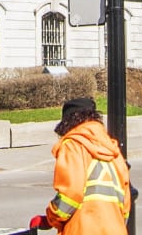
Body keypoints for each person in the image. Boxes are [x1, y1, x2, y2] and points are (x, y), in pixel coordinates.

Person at [28, 97, 131, 235]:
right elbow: (125, 206)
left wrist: (51, 218)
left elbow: (71, 194)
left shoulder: (72, 146)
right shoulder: (114, 152)